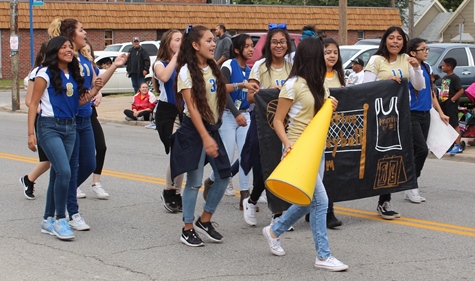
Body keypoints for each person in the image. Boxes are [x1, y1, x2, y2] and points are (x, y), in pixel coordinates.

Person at [264, 36, 348, 272]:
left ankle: (274, 231)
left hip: (316, 148)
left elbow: (317, 115)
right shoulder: (293, 85)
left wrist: (329, 105)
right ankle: (323, 255)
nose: (328, 57)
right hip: (298, 148)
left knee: (306, 200)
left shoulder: (320, 82)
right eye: (323, 53)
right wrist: (287, 144)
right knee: (320, 201)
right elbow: (278, 120)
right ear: (312, 56)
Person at [48, 18, 126, 231]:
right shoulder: (66, 59)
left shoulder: (84, 59)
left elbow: (96, 83)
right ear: (71, 35)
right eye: (81, 30)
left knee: (89, 164)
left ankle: (61, 200)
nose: (85, 33)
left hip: (86, 117)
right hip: (71, 119)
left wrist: (115, 66)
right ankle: (70, 212)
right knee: (69, 169)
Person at [27, 36, 95, 240]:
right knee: (65, 171)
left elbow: (79, 102)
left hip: (70, 127)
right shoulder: (44, 73)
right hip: (49, 127)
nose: (68, 50)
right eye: (64, 47)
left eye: (70, 47)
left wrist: (96, 90)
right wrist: (31, 133)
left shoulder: (73, 73)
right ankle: (60, 219)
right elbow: (32, 103)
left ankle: (47, 220)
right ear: (55, 50)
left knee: (57, 174)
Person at [170, 25, 230, 247]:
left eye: (214, 40)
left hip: (211, 128)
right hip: (194, 131)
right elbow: (192, 108)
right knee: (194, 182)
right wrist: (205, 137)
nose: (213, 44)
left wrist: (243, 85)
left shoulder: (213, 67)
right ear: (195, 45)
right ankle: (187, 228)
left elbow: (218, 89)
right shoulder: (186, 71)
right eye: (208, 40)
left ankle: (205, 220)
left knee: (223, 175)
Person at [363, 26, 425, 220]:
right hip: (381, 117)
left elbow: (419, 86)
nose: (396, 42)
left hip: (403, 115)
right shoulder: (376, 60)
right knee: (385, 157)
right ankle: (384, 201)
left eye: (399, 38)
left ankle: (408, 184)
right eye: (392, 38)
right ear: (385, 40)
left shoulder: (407, 60)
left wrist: (416, 68)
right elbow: (365, 88)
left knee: (421, 149)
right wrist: (387, 83)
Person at [203, 34, 260, 210]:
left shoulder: (250, 70)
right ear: (237, 50)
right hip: (229, 115)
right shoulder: (228, 66)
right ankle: (211, 181)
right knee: (226, 158)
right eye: (247, 46)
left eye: (252, 46)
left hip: (246, 115)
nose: (251, 49)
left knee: (246, 156)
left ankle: (245, 195)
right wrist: (236, 114)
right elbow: (222, 91)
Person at [245, 23, 294, 227]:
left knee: (284, 166)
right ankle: (252, 201)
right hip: (264, 123)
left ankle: (278, 212)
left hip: (288, 124)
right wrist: (269, 93)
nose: (278, 45)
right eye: (274, 42)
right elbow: (249, 97)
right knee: (270, 165)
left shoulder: (293, 67)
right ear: (268, 45)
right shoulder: (260, 66)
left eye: (282, 41)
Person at [404, 38, 450, 203]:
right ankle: (411, 185)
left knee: (421, 151)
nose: (427, 51)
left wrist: (440, 112)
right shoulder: (409, 67)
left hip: (426, 113)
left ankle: (410, 183)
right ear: (413, 52)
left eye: (427, 48)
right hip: (412, 114)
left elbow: (431, 93)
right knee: (421, 149)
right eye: (423, 49)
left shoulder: (427, 67)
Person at [152, 29, 184, 213]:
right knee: (176, 150)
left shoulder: (186, 63)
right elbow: (164, 76)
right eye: (177, 40)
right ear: (168, 44)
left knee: (182, 153)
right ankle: (169, 190)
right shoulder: (160, 64)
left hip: (184, 111)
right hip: (167, 112)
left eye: (182, 39)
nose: (181, 42)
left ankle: (176, 191)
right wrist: (177, 57)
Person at [20, 40, 50, 200]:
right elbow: (28, 101)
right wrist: (44, 112)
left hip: (59, 119)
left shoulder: (59, 71)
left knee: (53, 159)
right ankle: (29, 179)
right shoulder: (37, 72)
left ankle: (28, 179)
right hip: (43, 119)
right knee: (49, 159)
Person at [321, 37, 344, 228]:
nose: (332, 55)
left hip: (336, 129)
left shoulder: (339, 74)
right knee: (321, 172)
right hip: (318, 129)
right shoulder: (316, 75)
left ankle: (327, 210)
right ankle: (325, 211)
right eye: (328, 52)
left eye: (335, 52)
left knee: (331, 170)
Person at [85, 40, 110, 200]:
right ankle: (74, 185)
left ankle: (96, 183)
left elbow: (98, 86)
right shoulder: (73, 68)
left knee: (101, 147)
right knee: (78, 153)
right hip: (75, 114)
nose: (86, 53)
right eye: (83, 51)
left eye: (88, 51)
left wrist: (98, 94)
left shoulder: (93, 69)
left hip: (89, 112)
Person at [439, 58, 464, 155]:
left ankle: (458, 145)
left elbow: (461, 90)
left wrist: (453, 100)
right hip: (444, 104)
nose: (442, 67)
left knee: (454, 124)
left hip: (451, 105)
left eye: (444, 65)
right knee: (447, 124)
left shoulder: (455, 78)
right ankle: (450, 143)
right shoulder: (445, 77)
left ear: (449, 67)